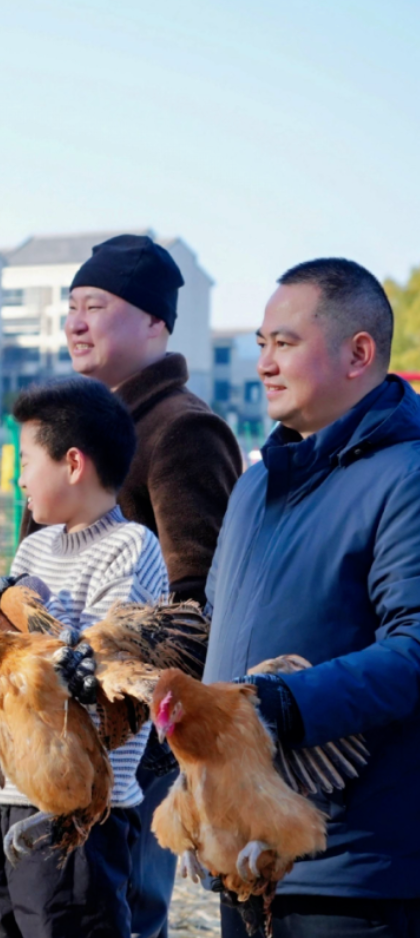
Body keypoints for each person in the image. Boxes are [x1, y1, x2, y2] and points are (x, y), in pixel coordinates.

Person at [204, 259, 420, 938]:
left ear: (359, 352)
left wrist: (278, 707)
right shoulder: (254, 486)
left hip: (351, 871)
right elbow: (219, 634)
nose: (265, 363)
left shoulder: (407, 477)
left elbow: (414, 650)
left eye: (286, 343)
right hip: (243, 854)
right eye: (261, 343)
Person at [57, 233, 242, 938]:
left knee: (122, 911)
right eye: (70, 306)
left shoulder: (179, 430)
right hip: (63, 722)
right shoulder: (79, 427)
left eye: (95, 305)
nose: (75, 322)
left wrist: (137, 719)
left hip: (132, 732)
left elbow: (195, 603)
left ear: (155, 324)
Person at [0, 376, 168, 938]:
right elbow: (13, 656)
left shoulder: (130, 549)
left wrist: (12, 648)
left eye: (26, 460)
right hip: (3, 791)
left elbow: (99, 668)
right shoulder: (34, 547)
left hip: (77, 812)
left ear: (72, 463)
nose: (19, 476)